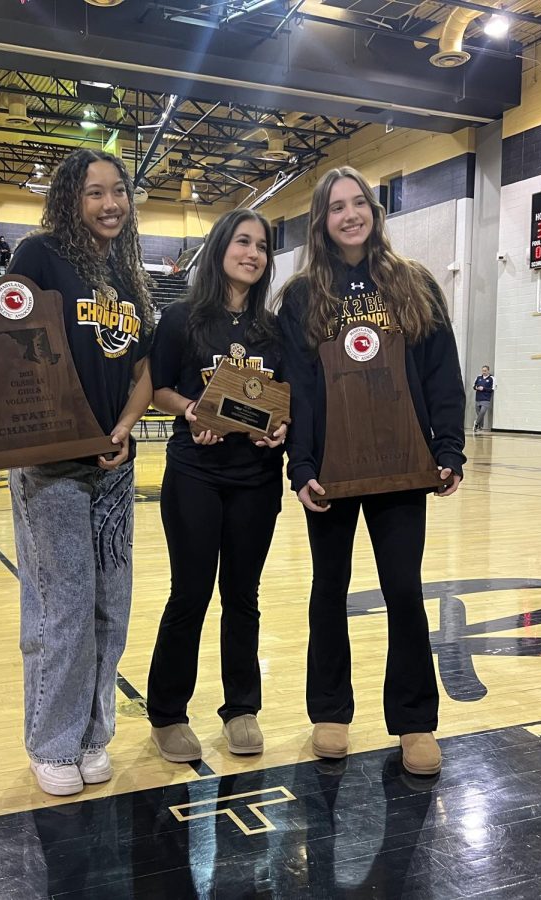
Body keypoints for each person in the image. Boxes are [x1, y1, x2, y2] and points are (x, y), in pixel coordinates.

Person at [0, 148, 154, 797]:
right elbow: (0, 342)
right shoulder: (39, 255)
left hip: (114, 468)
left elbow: (144, 372)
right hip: (50, 465)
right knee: (61, 608)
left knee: (109, 609)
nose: (110, 203)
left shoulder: (129, 273)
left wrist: (122, 429)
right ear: (71, 199)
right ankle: (52, 741)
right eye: (95, 193)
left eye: (117, 191)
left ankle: (94, 735)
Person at [277, 166, 465, 776]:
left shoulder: (413, 283)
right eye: (337, 207)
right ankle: (329, 712)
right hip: (332, 469)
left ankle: (414, 722)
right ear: (321, 220)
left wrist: (449, 447)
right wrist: (300, 464)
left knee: (404, 591)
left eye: (360, 203)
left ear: (375, 212)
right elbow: (298, 389)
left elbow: (441, 370)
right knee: (327, 590)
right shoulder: (303, 296)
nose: (351, 214)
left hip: (402, 467)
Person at [145, 209, 287, 764]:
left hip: (255, 479)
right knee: (191, 593)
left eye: (262, 246)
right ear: (221, 248)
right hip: (195, 475)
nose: (252, 253)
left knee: (243, 597)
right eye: (243, 241)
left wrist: (280, 427)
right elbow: (158, 388)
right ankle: (167, 714)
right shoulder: (182, 318)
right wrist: (191, 411)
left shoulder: (274, 330)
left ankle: (241, 708)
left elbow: (287, 396)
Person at [473, 365, 495, 432]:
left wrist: (484, 388)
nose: (484, 372)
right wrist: (476, 388)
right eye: (483, 370)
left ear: (488, 371)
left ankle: (476, 424)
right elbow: (473, 385)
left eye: (485, 371)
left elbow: (493, 389)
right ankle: (480, 427)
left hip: (486, 399)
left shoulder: (492, 378)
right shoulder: (478, 377)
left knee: (482, 412)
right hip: (478, 398)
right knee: (479, 413)